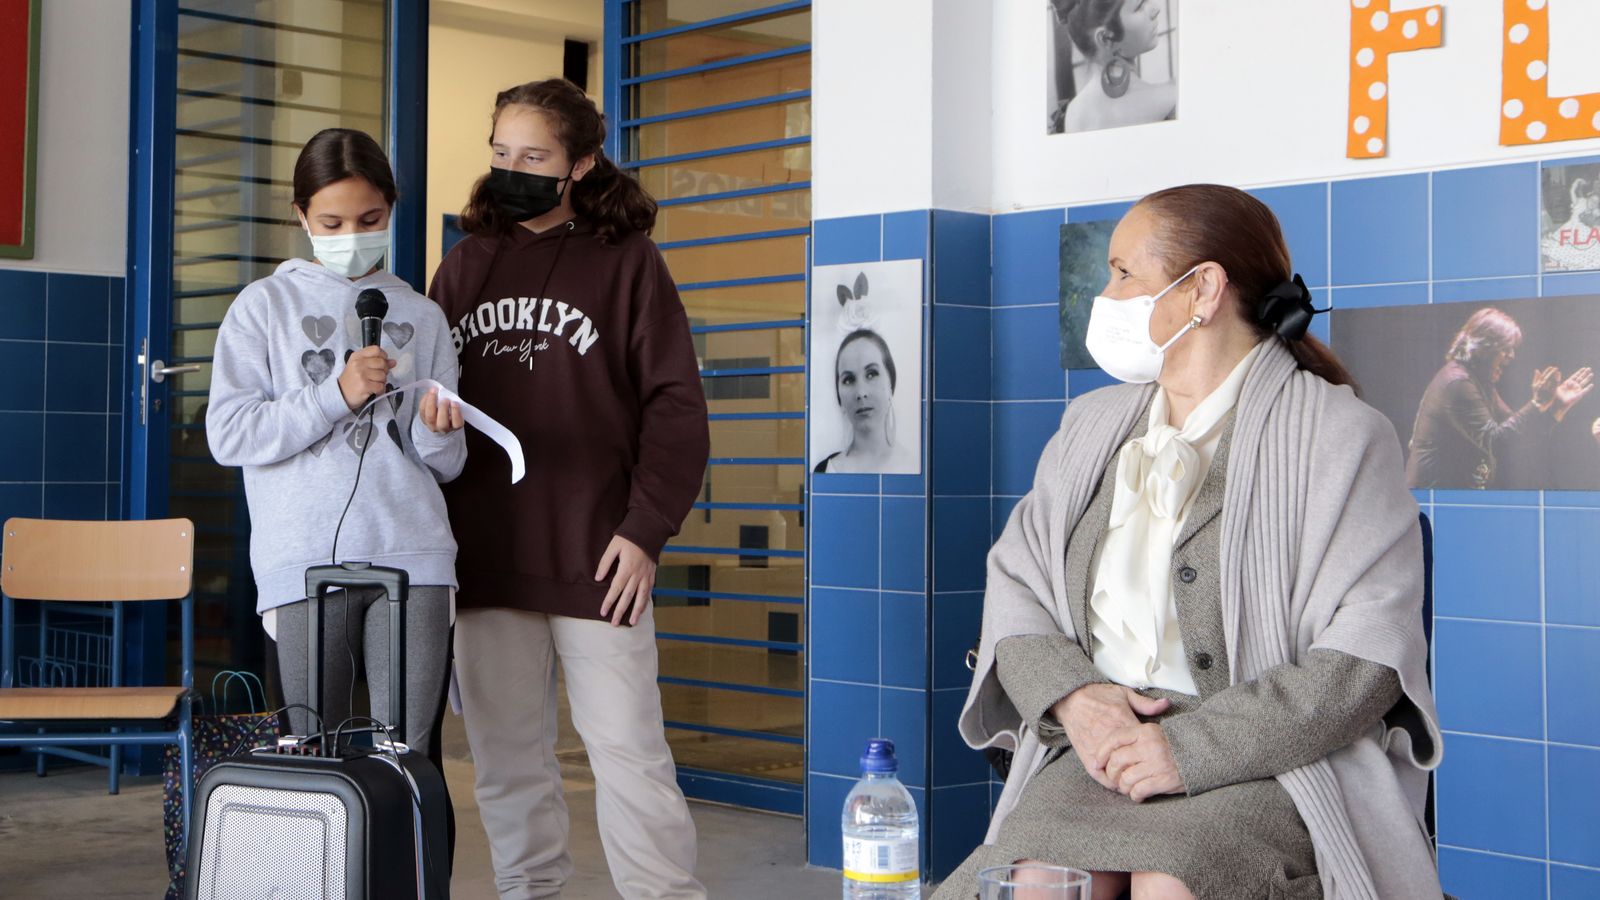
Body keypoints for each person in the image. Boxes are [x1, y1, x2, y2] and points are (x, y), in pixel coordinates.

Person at [935, 185, 1446, 900]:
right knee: (1034, 886)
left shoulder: (1343, 437)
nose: (1104, 296)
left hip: (1268, 764)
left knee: (1168, 886)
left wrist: (1188, 749)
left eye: (1122, 274)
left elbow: (1365, 660)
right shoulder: (1089, 427)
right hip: (1102, 757)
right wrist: (1075, 699)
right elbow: (1015, 590)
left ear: (1203, 288)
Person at [428, 78, 710, 900]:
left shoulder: (627, 263)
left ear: (581, 163)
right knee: (506, 760)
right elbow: (423, 404)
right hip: (487, 556)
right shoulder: (467, 263)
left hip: (599, 554)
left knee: (627, 753)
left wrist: (646, 528)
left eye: (535, 156)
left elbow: (676, 406)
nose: (512, 170)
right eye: (501, 154)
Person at [207, 128, 466, 760]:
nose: (352, 235)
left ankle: (412, 863)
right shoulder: (261, 307)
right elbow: (230, 433)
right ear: (301, 216)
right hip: (301, 559)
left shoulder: (424, 317)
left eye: (369, 218)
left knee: (409, 755)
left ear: (392, 209)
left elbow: (448, 465)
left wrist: (437, 435)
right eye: (332, 220)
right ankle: (317, 868)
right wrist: (336, 395)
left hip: (414, 552)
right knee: (307, 753)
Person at [1405, 307, 1593, 489]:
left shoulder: (1478, 382)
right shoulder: (1457, 383)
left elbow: (1516, 436)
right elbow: (1497, 442)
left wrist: (1555, 407)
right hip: (1434, 501)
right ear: (1483, 346)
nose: (1511, 356)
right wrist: (1537, 402)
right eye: (1506, 348)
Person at [1050, 0, 1175, 134]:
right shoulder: (1171, 99)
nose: (1156, 9)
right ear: (1106, 38)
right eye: (1139, 6)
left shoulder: (1073, 114)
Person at [814, 329, 915, 474]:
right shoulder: (825, 471)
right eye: (848, 380)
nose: (861, 393)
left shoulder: (914, 467)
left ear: (890, 383)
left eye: (871, 374)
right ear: (839, 397)